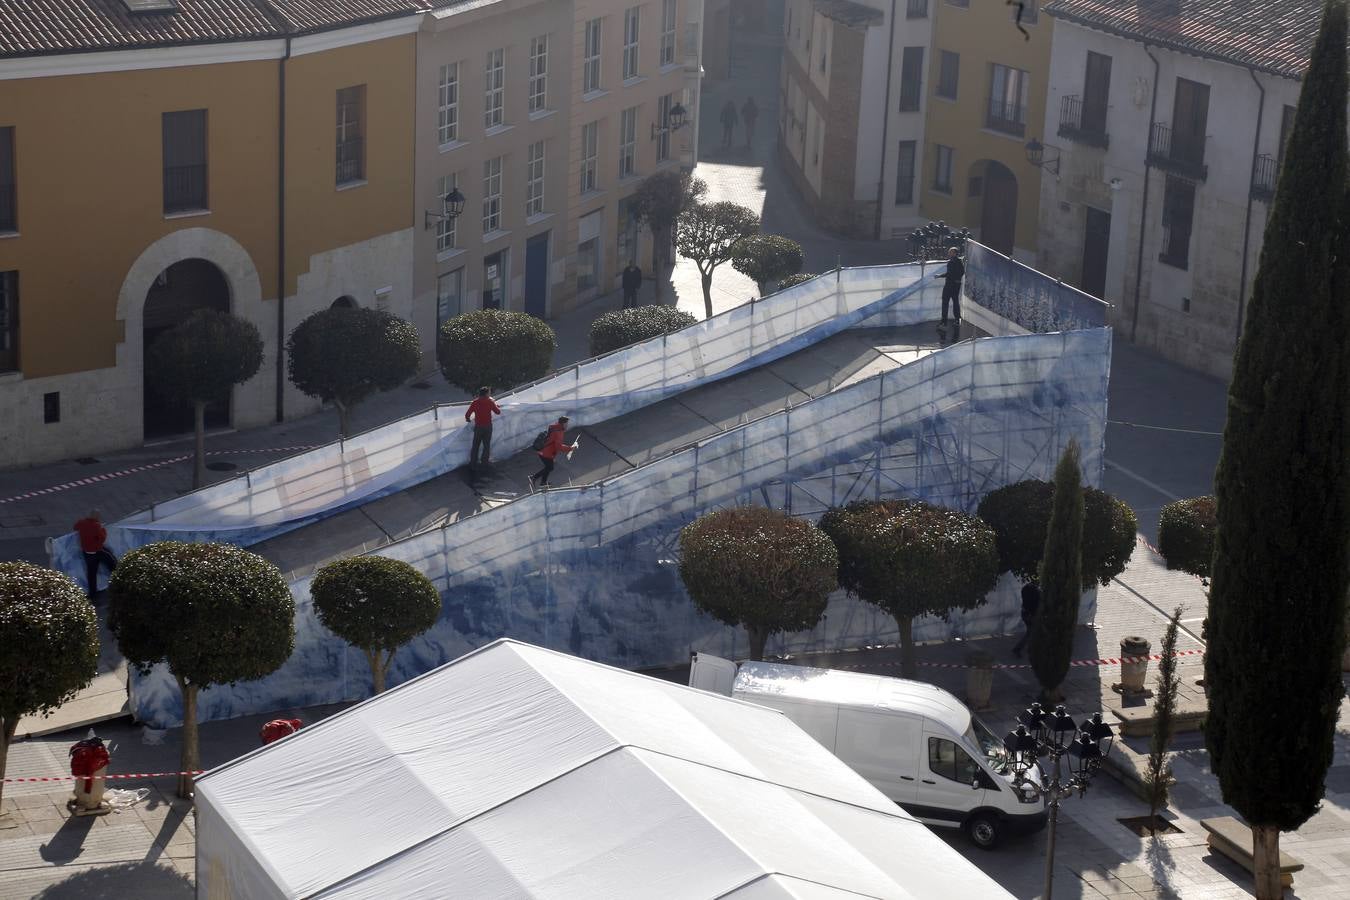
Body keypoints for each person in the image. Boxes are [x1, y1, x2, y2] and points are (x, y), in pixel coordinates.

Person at [73, 510, 116, 599]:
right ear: (97, 517)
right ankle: (118, 583)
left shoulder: (82, 523)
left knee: (91, 574)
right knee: (113, 564)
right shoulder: (96, 526)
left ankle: (93, 595)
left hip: (87, 553)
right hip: (98, 551)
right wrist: (103, 529)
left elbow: (75, 527)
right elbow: (102, 539)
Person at [528, 416, 577, 488]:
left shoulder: (554, 427)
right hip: (546, 453)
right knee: (550, 467)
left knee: (549, 467)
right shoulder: (559, 432)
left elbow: (553, 442)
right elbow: (559, 446)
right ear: (563, 424)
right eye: (566, 423)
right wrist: (570, 448)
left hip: (544, 451)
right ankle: (534, 478)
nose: (567, 425)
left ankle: (543, 482)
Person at [465, 387, 502, 468]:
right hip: (488, 427)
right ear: (486, 394)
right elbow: (498, 412)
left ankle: (473, 462)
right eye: (489, 393)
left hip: (478, 427)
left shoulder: (475, 402)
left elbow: (467, 415)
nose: (490, 394)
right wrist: (495, 405)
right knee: (486, 445)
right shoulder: (490, 402)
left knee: (475, 445)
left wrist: (468, 421)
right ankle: (484, 463)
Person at [935, 246, 965, 325]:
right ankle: (957, 319)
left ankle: (944, 320)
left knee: (945, 302)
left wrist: (939, 276)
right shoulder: (959, 261)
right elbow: (962, 272)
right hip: (956, 285)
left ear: (955, 253)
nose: (949, 253)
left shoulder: (952, 262)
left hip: (950, 285)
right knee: (955, 302)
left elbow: (950, 274)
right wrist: (957, 279)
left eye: (950, 252)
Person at [1011, 578, 1041, 657]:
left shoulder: (1025, 589)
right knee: (1031, 633)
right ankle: (1018, 649)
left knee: (1031, 632)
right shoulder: (1036, 592)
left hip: (1025, 613)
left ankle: (1027, 649)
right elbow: (1036, 605)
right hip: (1031, 615)